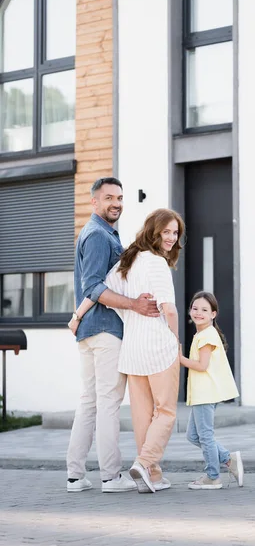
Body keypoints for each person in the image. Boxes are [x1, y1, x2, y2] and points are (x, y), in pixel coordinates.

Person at [73, 208, 185, 494]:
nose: (172, 237)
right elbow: (169, 310)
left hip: (133, 350)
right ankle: (145, 462)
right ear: (154, 231)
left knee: (142, 414)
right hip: (159, 346)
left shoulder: (128, 260)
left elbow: (95, 290)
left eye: (175, 232)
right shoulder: (157, 263)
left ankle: (152, 476)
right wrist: (176, 341)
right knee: (166, 411)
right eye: (167, 231)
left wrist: (76, 316)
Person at [66, 177, 159, 494]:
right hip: (105, 331)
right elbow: (93, 285)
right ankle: (110, 476)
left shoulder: (101, 233)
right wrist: (134, 304)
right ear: (94, 202)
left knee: (90, 402)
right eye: (109, 197)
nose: (116, 202)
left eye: (119, 197)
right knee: (107, 403)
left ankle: (75, 476)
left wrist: (77, 316)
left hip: (91, 330)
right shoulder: (97, 235)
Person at [179, 291, 244, 490]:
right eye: (195, 308)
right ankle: (227, 458)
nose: (198, 313)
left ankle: (213, 476)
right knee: (194, 436)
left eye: (204, 310)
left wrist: (179, 358)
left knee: (205, 436)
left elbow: (202, 365)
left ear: (213, 314)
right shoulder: (202, 333)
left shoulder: (207, 335)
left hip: (205, 393)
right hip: (201, 393)